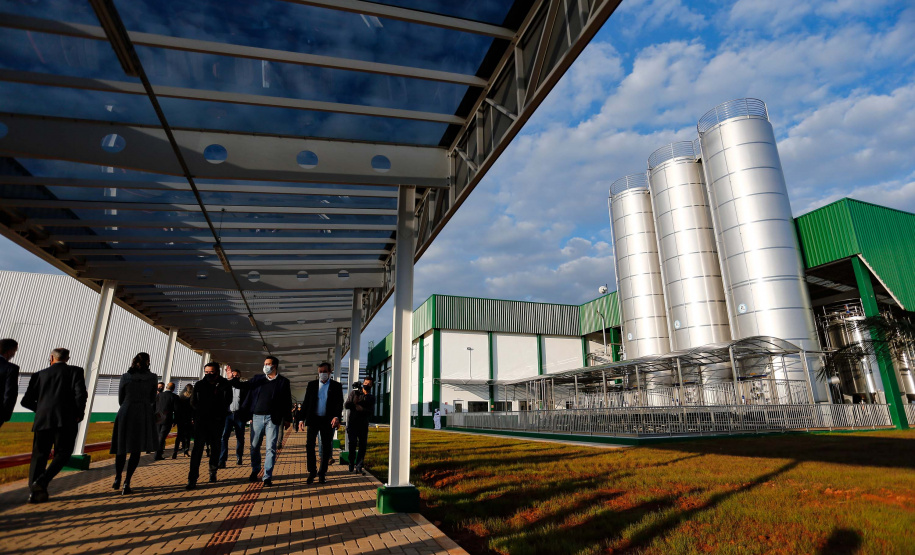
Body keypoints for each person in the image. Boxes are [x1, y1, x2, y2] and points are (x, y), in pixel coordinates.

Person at [20, 348, 88, 503]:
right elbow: (81, 394)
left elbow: (26, 401)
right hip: (66, 420)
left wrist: (42, 409)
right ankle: (43, 481)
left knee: (39, 456)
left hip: (43, 420)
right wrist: (79, 414)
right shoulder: (75, 372)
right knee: (63, 454)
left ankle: (35, 492)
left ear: (51, 357)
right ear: (67, 358)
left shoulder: (39, 374)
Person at [230, 356, 291, 487]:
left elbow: (286, 400)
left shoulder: (283, 382)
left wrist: (287, 419)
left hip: (272, 418)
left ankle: (267, 476)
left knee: (271, 448)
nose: (265, 366)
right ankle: (255, 470)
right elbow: (242, 385)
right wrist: (232, 378)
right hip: (257, 417)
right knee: (254, 446)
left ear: (274, 366)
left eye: (268, 364)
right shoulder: (258, 379)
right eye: (264, 364)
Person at [110, 352, 159, 494]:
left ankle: (118, 477)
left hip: (126, 411)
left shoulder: (126, 376)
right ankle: (127, 482)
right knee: (136, 450)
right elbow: (151, 398)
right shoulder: (152, 377)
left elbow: (120, 398)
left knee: (121, 447)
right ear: (148, 362)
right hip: (143, 412)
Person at [187, 362, 232, 490]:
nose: (208, 374)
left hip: (217, 421)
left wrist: (219, 413)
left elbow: (228, 400)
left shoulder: (224, 384)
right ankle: (192, 478)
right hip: (201, 421)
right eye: (206, 372)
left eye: (211, 372)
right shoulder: (200, 384)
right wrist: (198, 413)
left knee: (215, 447)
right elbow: (193, 401)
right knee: (197, 449)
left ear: (217, 372)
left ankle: (213, 471)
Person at [302, 362, 343, 484]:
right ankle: (312, 471)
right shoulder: (312, 385)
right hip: (313, 420)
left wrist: (336, 416)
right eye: (320, 372)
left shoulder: (336, 386)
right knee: (310, 446)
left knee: (326, 447)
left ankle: (322, 473)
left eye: (325, 371)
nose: (322, 374)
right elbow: (306, 403)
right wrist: (300, 419)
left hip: (327, 421)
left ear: (330, 372)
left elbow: (339, 403)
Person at [343, 376, 375, 474]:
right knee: (352, 444)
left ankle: (359, 465)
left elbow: (370, 411)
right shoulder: (354, 393)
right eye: (365, 383)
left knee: (362, 445)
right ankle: (351, 462)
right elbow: (347, 405)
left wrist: (359, 408)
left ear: (372, 385)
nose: (366, 385)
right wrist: (357, 402)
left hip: (363, 424)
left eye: (369, 384)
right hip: (352, 423)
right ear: (363, 383)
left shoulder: (371, 397)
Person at [219, 365, 248, 468]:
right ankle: (222, 460)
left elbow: (247, 401)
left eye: (237, 375)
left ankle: (239, 456)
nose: (235, 377)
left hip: (239, 415)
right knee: (224, 437)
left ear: (240, 376)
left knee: (240, 437)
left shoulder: (243, 387)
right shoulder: (225, 387)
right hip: (228, 415)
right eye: (233, 375)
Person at [154, 382, 179, 460]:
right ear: (173, 388)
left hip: (157, 418)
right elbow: (176, 410)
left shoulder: (159, 395)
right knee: (162, 437)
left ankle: (158, 453)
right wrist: (175, 421)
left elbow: (154, 406)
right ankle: (158, 454)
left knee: (158, 436)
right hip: (167, 419)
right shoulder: (174, 397)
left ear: (166, 387)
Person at [0, 338, 20, 429]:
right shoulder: (11, 368)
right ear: (9, 351)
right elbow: (10, 393)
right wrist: (6, 415)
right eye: (14, 351)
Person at [172, 383, 193, 458]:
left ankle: (175, 451)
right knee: (187, 436)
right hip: (188, 418)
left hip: (180, 419)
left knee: (179, 436)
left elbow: (177, 409)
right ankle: (186, 451)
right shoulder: (192, 397)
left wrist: (175, 420)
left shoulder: (180, 396)